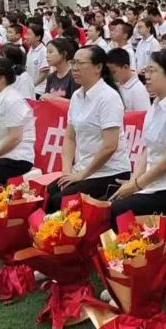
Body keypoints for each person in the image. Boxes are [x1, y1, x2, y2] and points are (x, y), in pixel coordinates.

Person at [109, 47, 166, 219]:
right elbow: (148, 149)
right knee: (108, 201)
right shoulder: (157, 104)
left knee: (119, 210)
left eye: (153, 71)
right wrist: (134, 180)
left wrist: (136, 185)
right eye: (147, 70)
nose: (147, 76)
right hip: (155, 183)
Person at [45, 45, 129, 213]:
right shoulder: (77, 96)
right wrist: (66, 172)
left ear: (98, 67)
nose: (74, 68)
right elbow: (70, 137)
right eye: (73, 63)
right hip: (82, 169)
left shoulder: (108, 98)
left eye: (80, 63)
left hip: (107, 172)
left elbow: (110, 146)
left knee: (59, 202)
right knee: (47, 194)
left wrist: (82, 175)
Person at [106, 46, 152, 112]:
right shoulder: (118, 84)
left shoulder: (138, 90)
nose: (111, 75)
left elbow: (144, 115)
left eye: (114, 72)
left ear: (125, 67)